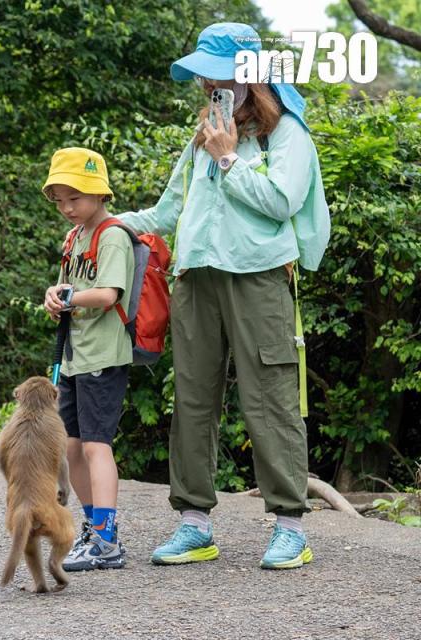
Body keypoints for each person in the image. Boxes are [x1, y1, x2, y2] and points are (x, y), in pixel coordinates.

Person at [116, 23, 330, 569]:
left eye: (219, 71)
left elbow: (282, 202)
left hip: (258, 277)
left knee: (271, 398)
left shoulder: (288, 136)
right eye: (205, 73)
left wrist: (231, 159)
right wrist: (104, 223)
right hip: (196, 278)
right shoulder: (203, 138)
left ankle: (289, 528)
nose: (209, 81)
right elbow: (166, 213)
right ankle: (194, 525)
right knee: (192, 400)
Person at [42, 147, 134, 571]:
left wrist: (69, 297)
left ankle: (107, 539)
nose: (66, 208)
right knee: (73, 447)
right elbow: (67, 287)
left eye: (74, 198)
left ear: (98, 193)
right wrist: (54, 296)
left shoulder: (112, 235)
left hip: (103, 356)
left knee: (97, 445)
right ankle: (93, 528)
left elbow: (108, 294)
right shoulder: (74, 237)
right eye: (59, 200)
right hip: (75, 357)